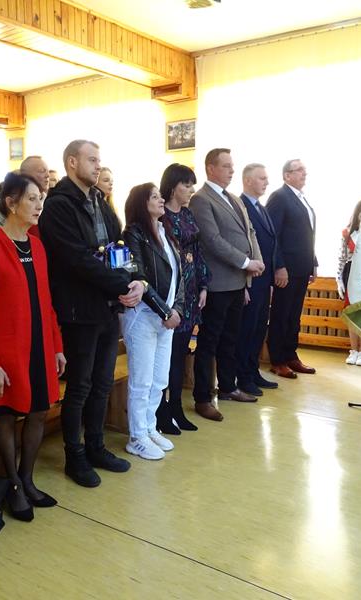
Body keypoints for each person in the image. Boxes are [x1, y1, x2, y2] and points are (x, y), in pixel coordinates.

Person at [38, 139, 144, 488]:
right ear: (72, 162)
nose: (99, 165)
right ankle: (75, 455)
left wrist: (132, 279)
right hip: (78, 308)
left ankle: (96, 447)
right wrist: (120, 284)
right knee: (80, 386)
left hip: (106, 305)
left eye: (100, 160)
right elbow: (76, 259)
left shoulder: (98, 199)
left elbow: (119, 245)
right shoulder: (58, 205)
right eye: (92, 159)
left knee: (102, 382)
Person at [0, 172, 66, 521]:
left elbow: (47, 301)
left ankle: (27, 479)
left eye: (41, 198)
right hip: (7, 352)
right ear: (11, 203)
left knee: (39, 411)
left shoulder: (36, 246)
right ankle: (12, 485)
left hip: (38, 344)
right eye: (32, 199)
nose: (39, 205)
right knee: (7, 415)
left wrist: (56, 346)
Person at [189, 148, 264, 421]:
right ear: (210, 168)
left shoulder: (232, 198)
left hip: (236, 282)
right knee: (209, 342)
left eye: (232, 166)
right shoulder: (201, 199)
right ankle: (202, 397)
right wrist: (246, 262)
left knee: (230, 339)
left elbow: (250, 231)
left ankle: (228, 387)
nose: (232, 170)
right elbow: (212, 240)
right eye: (226, 166)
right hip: (217, 283)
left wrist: (257, 260)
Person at [122, 183, 184, 459]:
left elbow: (179, 275)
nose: (161, 200)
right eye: (155, 196)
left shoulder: (164, 231)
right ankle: (136, 436)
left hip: (166, 317)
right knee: (142, 380)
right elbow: (139, 277)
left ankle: (149, 427)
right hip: (144, 316)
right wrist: (165, 312)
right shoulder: (133, 233)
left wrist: (176, 309)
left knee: (160, 379)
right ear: (141, 202)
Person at [157, 163, 208, 434]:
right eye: (186, 185)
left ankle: (176, 407)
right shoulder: (160, 215)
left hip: (191, 291)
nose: (190, 190)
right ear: (172, 186)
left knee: (180, 355)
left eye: (192, 185)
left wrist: (203, 285)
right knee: (166, 357)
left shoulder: (187, 214)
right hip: (171, 294)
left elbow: (198, 252)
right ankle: (161, 411)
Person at [267, 159, 318, 379]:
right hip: (286, 269)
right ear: (287, 175)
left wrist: (313, 262)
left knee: (294, 316)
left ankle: (290, 355)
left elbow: (306, 234)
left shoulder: (301, 198)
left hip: (302, 267)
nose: (304, 173)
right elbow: (273, 235)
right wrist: (279, 266)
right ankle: (277, 360)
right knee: (281, 314)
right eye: (299, 170)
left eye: (304, 170)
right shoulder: (279, 197)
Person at [236, 163, 281, 394]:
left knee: (258, 328)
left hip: (264, 280)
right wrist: (243, 282)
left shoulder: (261, 208)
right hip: (250, 278)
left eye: (266, 178)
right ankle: (242, 376)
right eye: (261, 178)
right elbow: (241, 244)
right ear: (248, 180)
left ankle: (253, 371)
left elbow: (271, 243)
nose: (266, 182)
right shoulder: (240, 206)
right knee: (247, 328)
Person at [337, 199, 361, 366]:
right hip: (350, 272)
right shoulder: (347, 233)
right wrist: (338, 279)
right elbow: (342, 258)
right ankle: (354, 350)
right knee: (352, 313)